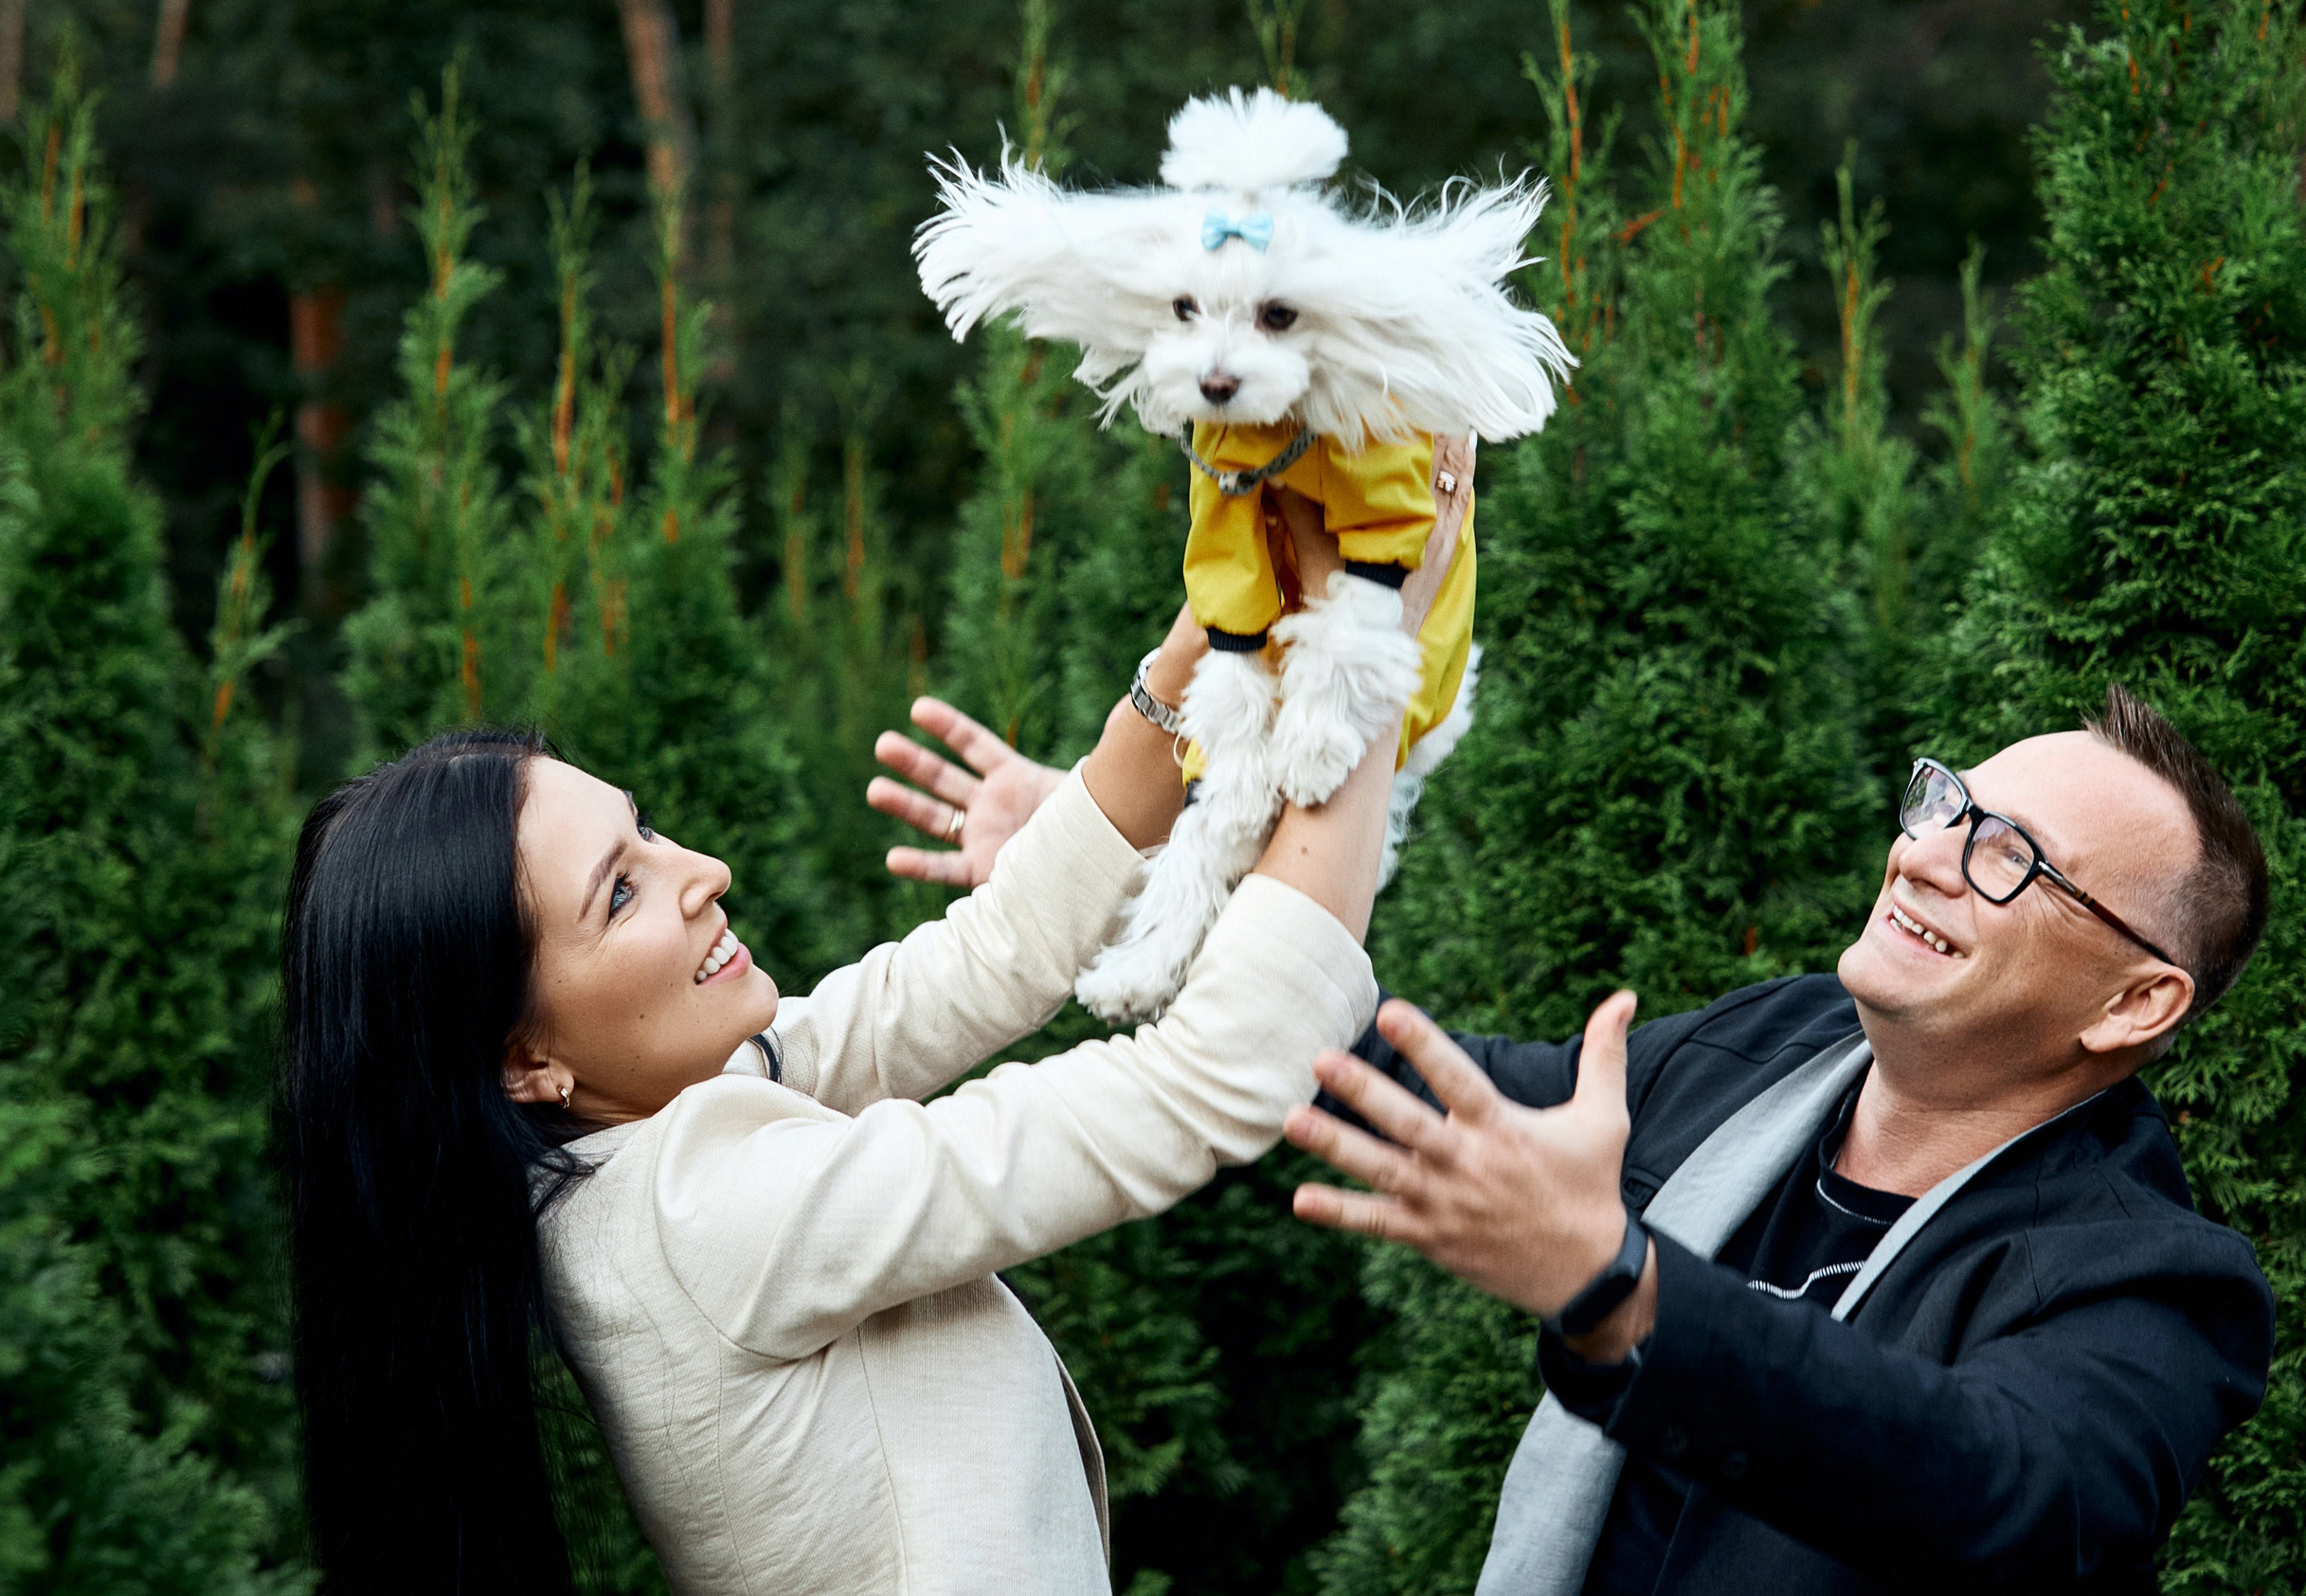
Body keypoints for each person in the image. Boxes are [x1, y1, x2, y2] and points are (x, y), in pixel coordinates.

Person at [279, 451, 1471, 1596]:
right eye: (622, 890)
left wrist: (1211, 639)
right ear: (522, 1059)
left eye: (644, 830)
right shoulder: (704, 1213)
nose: (703, 869)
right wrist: (1367, 655)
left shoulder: (635, 1146)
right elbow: (1198, 1085)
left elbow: (979, 960)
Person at [882, 685, 2274, 1593]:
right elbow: (1387, 1081)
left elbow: (2002, 1490)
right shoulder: (1771, 1049)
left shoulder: (2154, 1279)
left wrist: (1622, 1293)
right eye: (1944, 804)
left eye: (2008, 856)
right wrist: (1122, 892)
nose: (1923, 853)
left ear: (2137, 998)